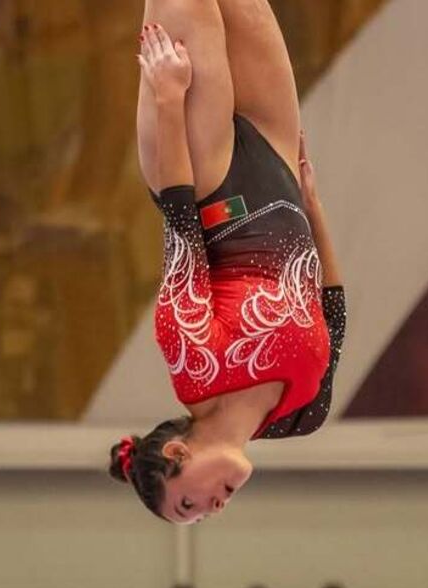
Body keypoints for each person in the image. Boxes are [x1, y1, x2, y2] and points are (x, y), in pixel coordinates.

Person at [109, 0, 348, 524]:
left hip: (199, 175)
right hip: (277, 164)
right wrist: (313, 205)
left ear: (178, 454)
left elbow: (182, 233)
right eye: (200, 515)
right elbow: (333, 313)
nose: (211, 509)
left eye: (187, 503)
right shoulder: (301, 417)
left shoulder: (197, 371)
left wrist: (170, 100)